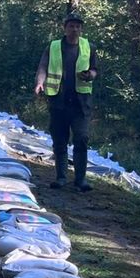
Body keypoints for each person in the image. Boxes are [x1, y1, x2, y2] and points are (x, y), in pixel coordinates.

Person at [34, 12, 99, 191]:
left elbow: (95, 70)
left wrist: (90, 75)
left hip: (81, 103)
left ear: (81, 29)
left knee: (82, 138)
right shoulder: (53, 47)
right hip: (58, 101)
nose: (74, 29)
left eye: (78, 26)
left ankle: (80, 180)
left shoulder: (89, 47)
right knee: (60, 140)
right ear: (65, 28)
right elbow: (43, 66)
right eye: (71, 26)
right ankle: (61, 177)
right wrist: (40, 82)